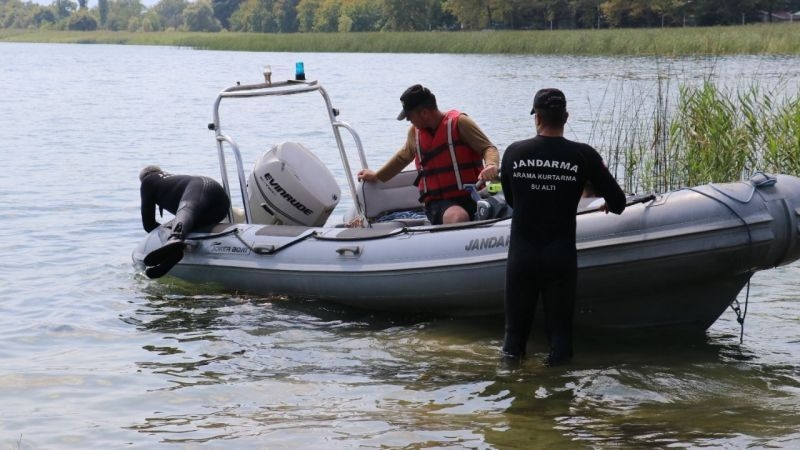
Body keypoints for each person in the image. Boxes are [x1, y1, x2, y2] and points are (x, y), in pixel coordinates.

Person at [499, 88, 627, 366]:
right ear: (566, 117)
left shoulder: (513, 153)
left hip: (522, 255)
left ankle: (512, 400)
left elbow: (512, 201)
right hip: (560, 256)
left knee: (513, 340)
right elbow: (618, 202)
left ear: (537, 118)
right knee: (560, 338)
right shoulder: (583, 155)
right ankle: (559, 400)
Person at [357, 84, 500, 225]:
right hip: (438, 203)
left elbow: (488, 148)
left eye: (409, 116)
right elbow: (402, 157)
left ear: (424, 113)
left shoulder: (460, 123)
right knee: (458, 217)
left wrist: (491, 165)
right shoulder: (414, 133)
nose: (409, 121)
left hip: (475, 196)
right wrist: (377, 176)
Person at [139, 165, 230, 279]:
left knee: (186, 208)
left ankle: (175, 238)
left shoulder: (148, 181)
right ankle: (174, 251)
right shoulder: (170, 181)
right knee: (177, 220)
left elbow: (148, 225)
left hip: (201, 188)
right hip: (219, 208)